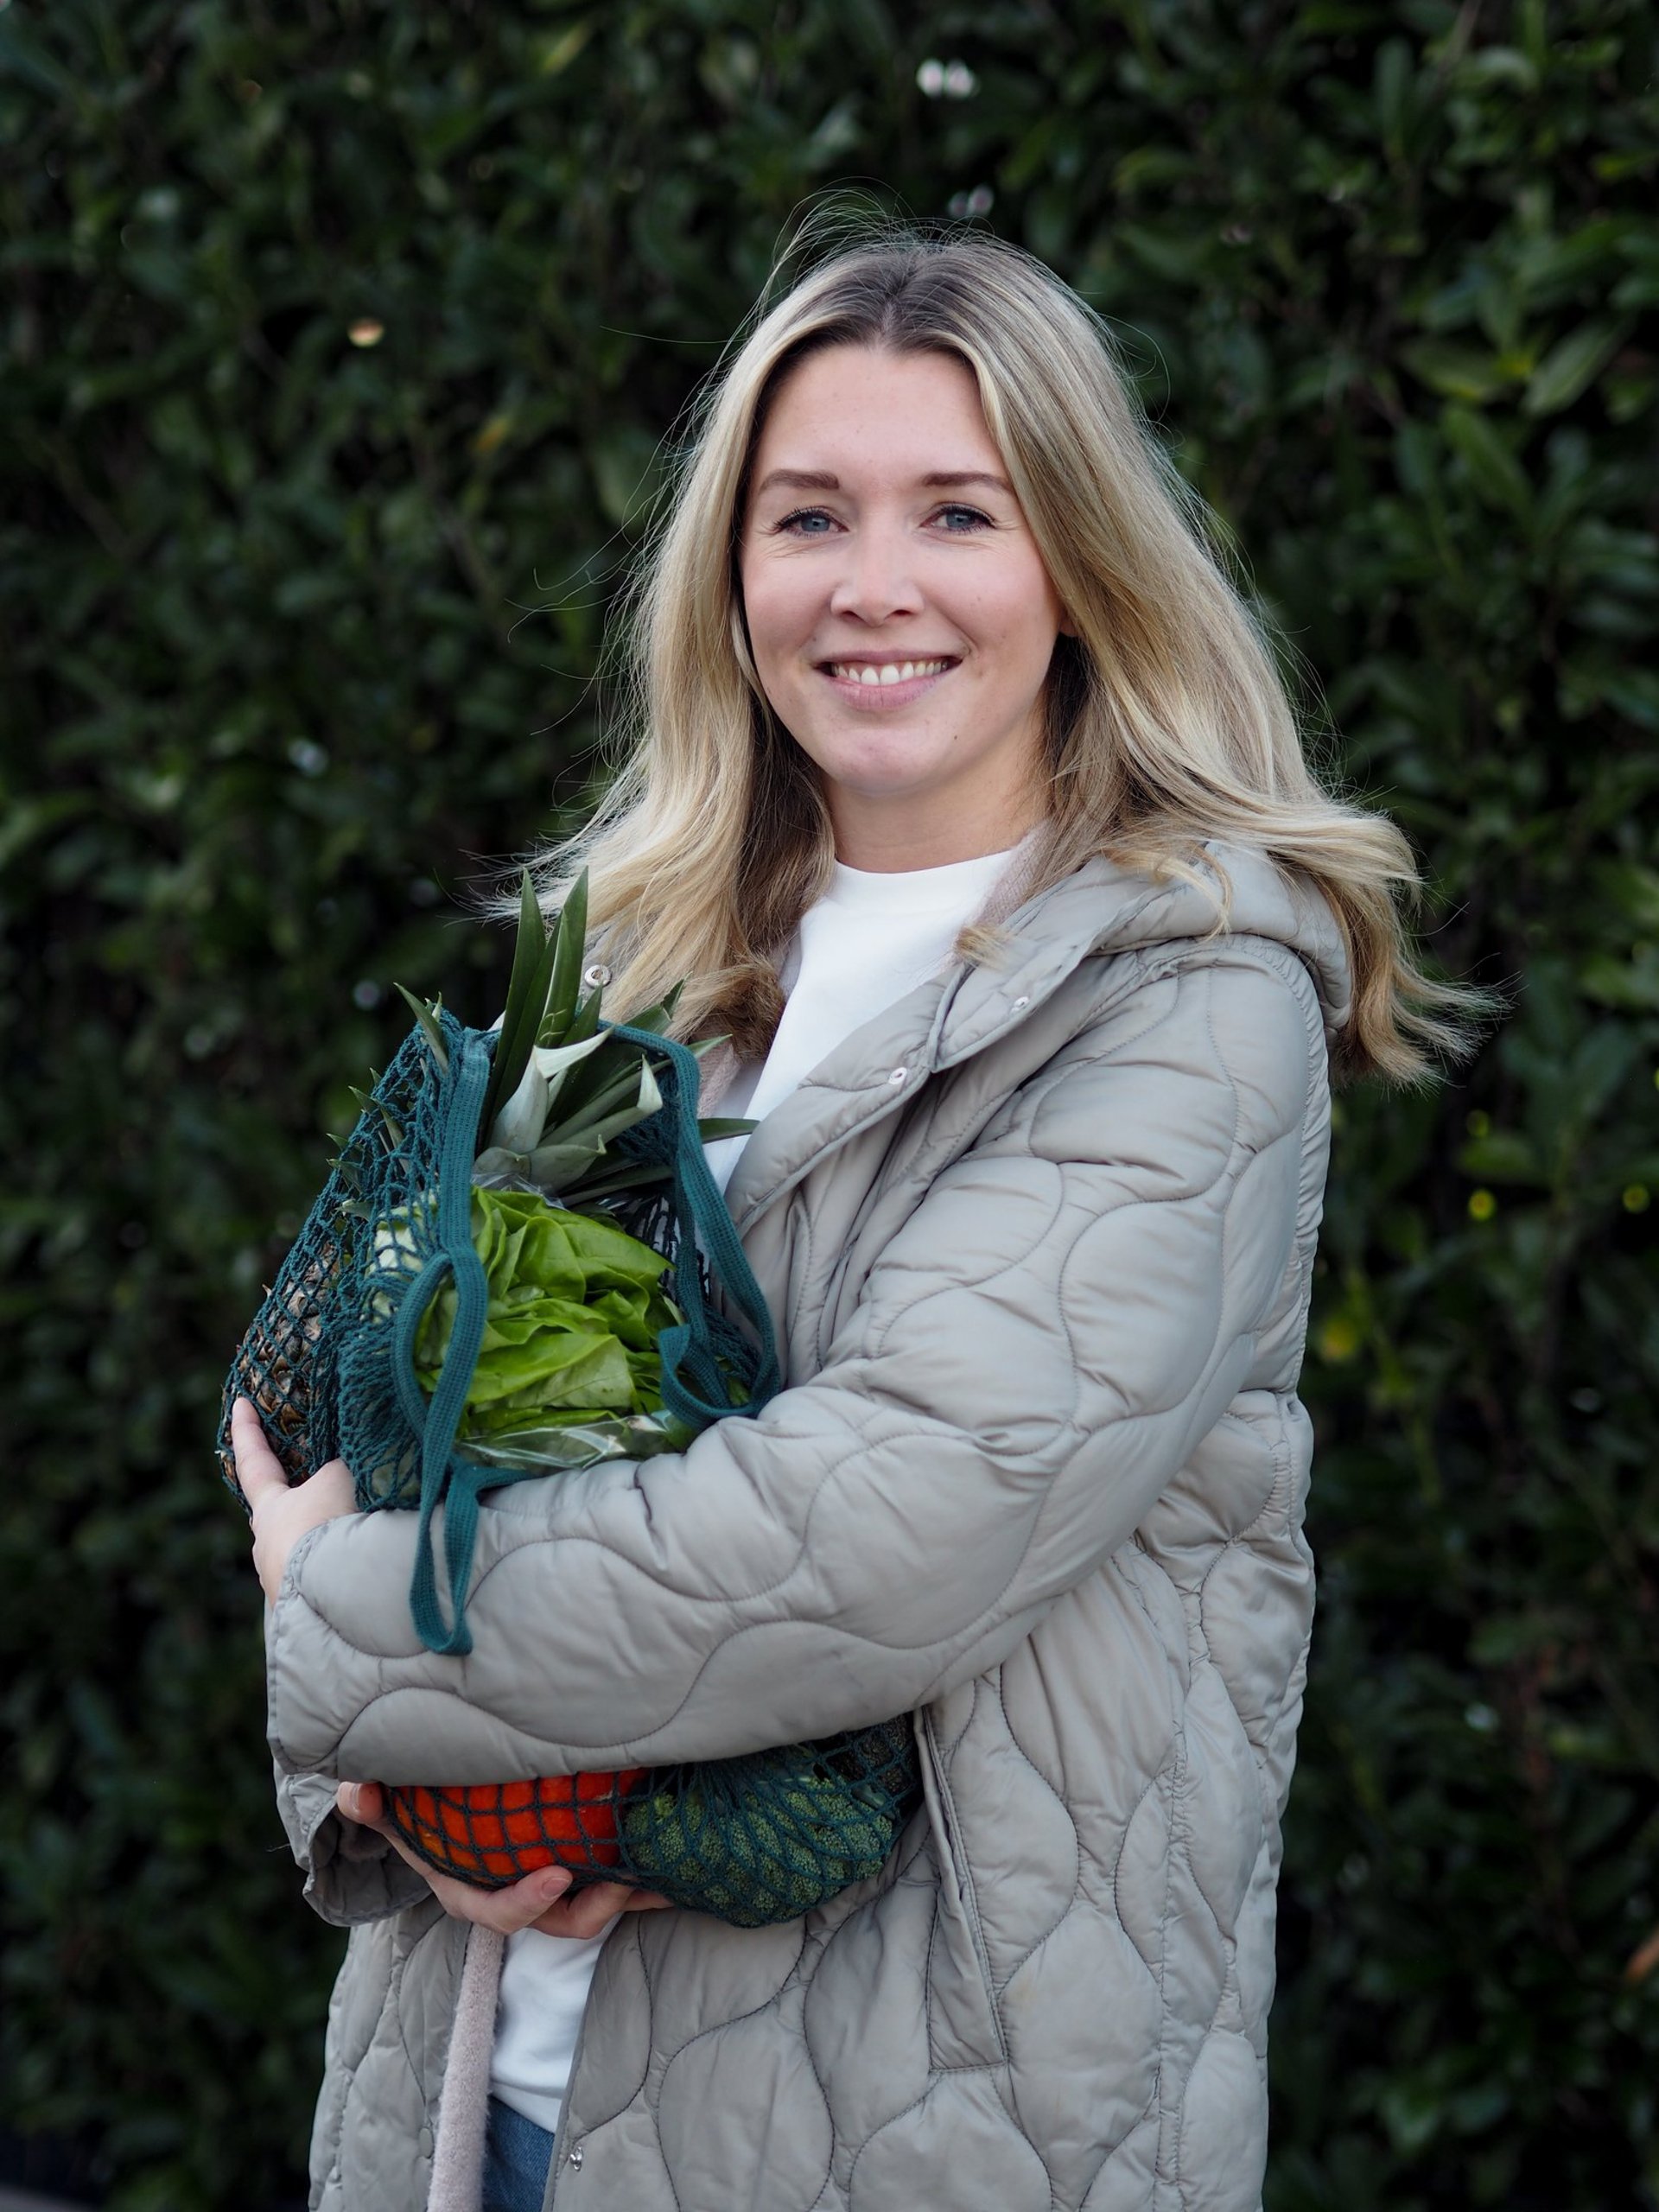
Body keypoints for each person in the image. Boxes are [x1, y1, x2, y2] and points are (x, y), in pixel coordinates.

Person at [233, 230, 1465, 2212]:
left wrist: (335, 1619)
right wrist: (391, 1797)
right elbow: (395, 1428)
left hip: (905, 2121)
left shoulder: (1189, 996)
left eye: (956, 513)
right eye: (809, 514)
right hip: (482, 2087)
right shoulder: (637, 966)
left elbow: (885, 1521)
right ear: (733, 575)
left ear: (1075, 564)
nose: (872, 584)